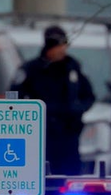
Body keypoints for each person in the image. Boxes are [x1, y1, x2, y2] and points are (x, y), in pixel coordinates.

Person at [12, 25, 95, 176]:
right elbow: (13, 96)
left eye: (64, 46)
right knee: (43, 175)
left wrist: (77, 109)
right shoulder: (32, 69)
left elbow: (88, 95)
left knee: (70, 176)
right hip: (42, 134)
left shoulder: (72, 67)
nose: (62, 50)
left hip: (69, 134)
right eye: (59, 46)